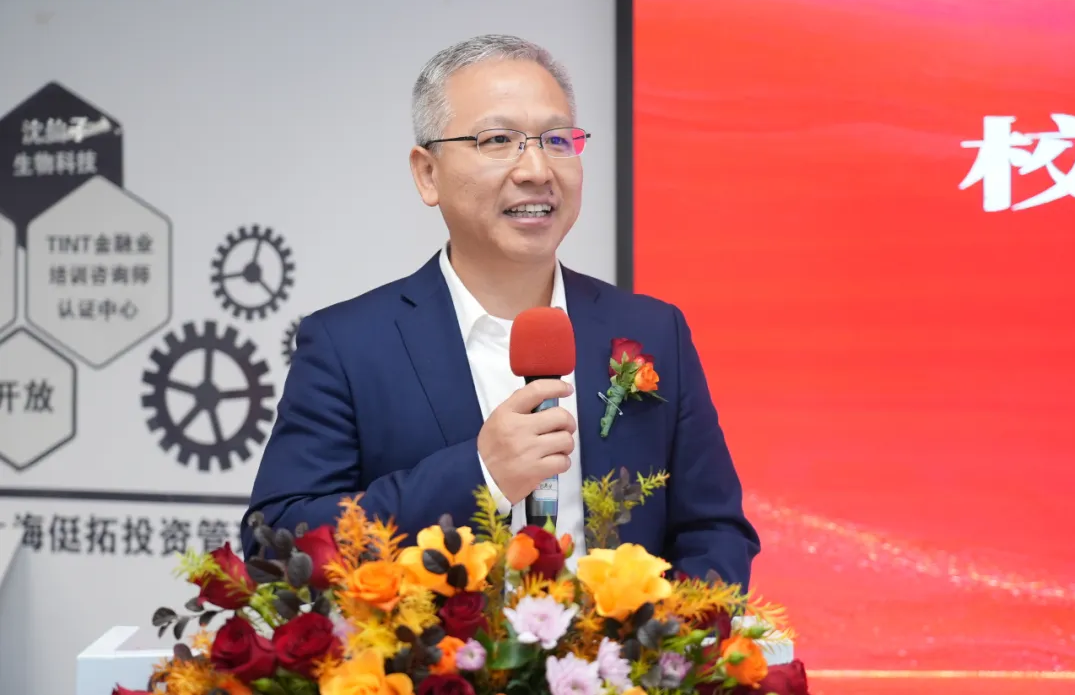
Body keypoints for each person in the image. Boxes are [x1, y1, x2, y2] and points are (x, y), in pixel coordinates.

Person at [241, 34, 760, 587]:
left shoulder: (652, 331)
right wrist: (481, 475)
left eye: (556, 140)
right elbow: (278, 542)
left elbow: (714, 533)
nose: (536, 169)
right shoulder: (349, 345)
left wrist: (656, 633)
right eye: (498, 140)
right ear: (427, 174)